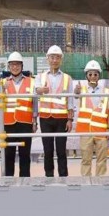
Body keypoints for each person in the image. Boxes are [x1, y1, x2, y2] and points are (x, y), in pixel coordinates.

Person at [35, 45, 74, 177]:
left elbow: (71, 100)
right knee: (48, 149)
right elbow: (35, 92)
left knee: (61, 150)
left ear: (61, 60)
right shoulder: (40, 76)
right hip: (46, 118)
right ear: (48, 59)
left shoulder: (67, 78)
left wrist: (70, 119)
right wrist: (39, 90)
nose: (54, 60)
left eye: (57, 57)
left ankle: (63, 176)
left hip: (61, 119)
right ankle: (49, 175)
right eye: (52, 57)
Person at [1, 52, 36, 177]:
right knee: (8, 154)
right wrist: (1, 89)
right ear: (8, 67)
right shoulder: (3, 83)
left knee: (25, 155)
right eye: (12, 65)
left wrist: (34, 121)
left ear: (22, 66)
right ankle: (8, 182)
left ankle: (25, 182)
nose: (14, 67)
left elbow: (34, 103)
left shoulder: (31, 82)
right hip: (8, 123)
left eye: (17, 64)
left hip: (25, 123)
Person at [74, 60, 109, 176]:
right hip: (86, 131)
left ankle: (100, 181)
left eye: (95, 74)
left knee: (102, 159)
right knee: (86, 160)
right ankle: (86, 182)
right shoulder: (82, 91)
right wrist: (76, 91)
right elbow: (76, 95)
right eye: (90, 74)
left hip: (101, 132)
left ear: (99, 76)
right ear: (86, 76)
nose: (93, 76)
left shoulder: (106, 92)